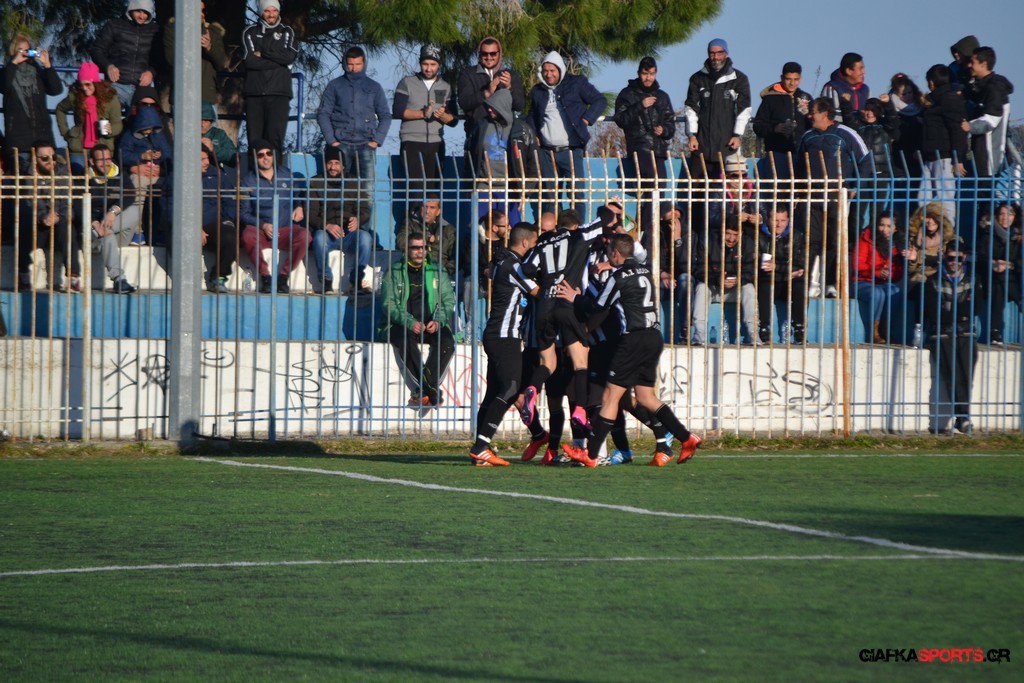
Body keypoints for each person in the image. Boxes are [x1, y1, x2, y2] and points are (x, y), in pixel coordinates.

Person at [561, 234, 702, 468]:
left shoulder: (618, 277)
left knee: (610, 397)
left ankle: (591, 455)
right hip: (654, 337)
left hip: (634, 339)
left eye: (609, 254)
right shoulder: (646, 271)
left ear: (615, 253)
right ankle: (687, 438)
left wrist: (575, 297)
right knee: (646, 397)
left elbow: (598, 307)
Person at [468, 222, 541, 466]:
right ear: (525, 242)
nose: (535, 247)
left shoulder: (503, 261)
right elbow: (538, 292)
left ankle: (481, 449)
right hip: (504, 335)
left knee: (494, 392)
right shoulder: (513, 266)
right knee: (510, 389)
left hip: (497, 334)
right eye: (534, 243)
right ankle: (481, 446)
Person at [796, 97, 871, 298]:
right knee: (811, 240)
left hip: (837, 196)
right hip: (812, 196)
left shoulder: (846, 133)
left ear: (825, 114)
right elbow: (798, 166)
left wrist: (856, 186)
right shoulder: (807, 136)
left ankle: (830, 283)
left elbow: (865, 160)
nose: (810, 116)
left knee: (834, 240)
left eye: (814, 112)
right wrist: (799, 192)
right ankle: (810, 283)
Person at [380, 232, 456, 409]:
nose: (420, 252)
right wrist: (409, 322)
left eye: (423, 247)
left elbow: (448, 301)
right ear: (406, 249)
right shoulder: (394, 271)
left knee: (447, 342)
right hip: (401, 324)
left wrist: (438, 321)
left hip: (431, 324)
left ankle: (424, 390)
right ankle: (432, 391)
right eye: (415, 248)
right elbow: (388, 304)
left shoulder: (437, 270)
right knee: (404, 340)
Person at [529, 51, 607, 219]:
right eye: (545, 71)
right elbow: (532, 115)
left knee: (576, 193)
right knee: (550, 195)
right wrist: (534, 133)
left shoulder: (576, 83)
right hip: (547, 151)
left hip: (571, 150)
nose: (549, 74)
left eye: (552, 70)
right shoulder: (538, 91)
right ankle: (554, 229)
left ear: (560, 69)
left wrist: (587, 118)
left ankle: (578, 229)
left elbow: (600, 100)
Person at [239, 140, 310, 293]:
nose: (266, 157)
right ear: (254, 158)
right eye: (260, 155)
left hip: (285, 228)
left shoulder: (286, 174)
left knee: (304, 236)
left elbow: (298, 194)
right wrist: (263, 225)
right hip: (261, 229)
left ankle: (283, 277)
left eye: (269, 153)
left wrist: (299, 206)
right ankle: (265, 277)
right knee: (247, 236)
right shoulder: (247, 181)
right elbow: (243, 213)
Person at [164, 146, 238, 293]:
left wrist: (227, 221)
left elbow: (230, 203)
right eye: (202, 159)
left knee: (230, 236)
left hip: (213, 225)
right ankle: (186, 279)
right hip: (185, 226)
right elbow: (170, 209)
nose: (206, 162)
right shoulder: (176, 178)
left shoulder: (218, 176)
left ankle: (219, 276)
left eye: (207, 158)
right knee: (175, 238)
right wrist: (194, 228)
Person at [923, 240, 979, 435]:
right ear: (944, 257)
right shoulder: (933, 280)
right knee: (953, 375)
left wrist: (950, 310)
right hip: (942, 334)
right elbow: (934, 312)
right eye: (950, 258)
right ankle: (963, 418)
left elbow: (976, 308)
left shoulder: (973, 279)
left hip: (966, 333)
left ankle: (962, 418)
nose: (954, 262)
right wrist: (960, 311)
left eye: (958, 258)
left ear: (964, 258)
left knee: (966, 376)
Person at [318, 46, 391, 192]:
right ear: (345, 63)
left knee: (367, 189)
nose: (354, 68)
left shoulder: (374, 87)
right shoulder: (334, 85)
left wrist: (376, 141)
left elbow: (385, 116)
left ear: (364, 63)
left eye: (358, 64)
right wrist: (332, 140)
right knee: (336, 188)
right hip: (340, 144)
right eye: (350, 64)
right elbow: (323, 114)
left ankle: (365, 209)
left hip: (367, 144)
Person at [307, 146, 374, 294]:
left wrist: (358, 219)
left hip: (349, 233)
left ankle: (356, 280)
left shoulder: (354, 182)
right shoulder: (316, 182)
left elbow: (365, 209)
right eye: (330, 163)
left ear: (343, 166)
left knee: (366, 238)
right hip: (327, 233)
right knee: (319, 237)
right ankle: (326, 280)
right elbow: (310, 214)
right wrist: (326, 225)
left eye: (337, 163)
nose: (333, 167)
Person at [17, 143, 82, 292]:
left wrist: (58, 216)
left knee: (67, 227)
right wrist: (43, 217)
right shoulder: (27, 176)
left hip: (59, 222)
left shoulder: (63, 173)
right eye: (45, 158)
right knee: (24, 225)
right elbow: (29, 203)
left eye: (53, 157)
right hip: (39, 224)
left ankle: (73, 277)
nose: (50, 161)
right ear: (35, 159)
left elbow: (68, 202)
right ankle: (24, 275)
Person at [392, 44, 458, 191]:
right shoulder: (407, 82)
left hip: (436, 143)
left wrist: (443, 116)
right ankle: (414, 206)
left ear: (439, 65)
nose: (428, 69)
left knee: (433, 189)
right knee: (415, 188)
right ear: (420, 63)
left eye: (433, 64)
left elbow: (454, 121)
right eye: (425, 64)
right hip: (411, 141)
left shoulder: (446, 87)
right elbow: (397, 111)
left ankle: (432, 206)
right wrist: (422, 113)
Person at [684, 39, 751, 178]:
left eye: (719, 53)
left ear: (726, 54)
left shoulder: (739, 79)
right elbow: (691, 108)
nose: (715, 57)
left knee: (728, 188)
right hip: (701, 146)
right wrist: (692, 135)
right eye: (712, 53)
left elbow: (744, 110)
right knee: (696, 188)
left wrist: (737, 135)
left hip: (728, 146)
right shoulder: (697, 78)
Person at [241, 0, 298, 156]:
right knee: (255, 141)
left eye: (274, 10)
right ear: (261, 12)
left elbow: (289, 57)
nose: (271, 14)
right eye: (267, 11)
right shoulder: (250, 32)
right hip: (254, 94)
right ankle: (254, 172)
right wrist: (278, 62)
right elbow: (249, 61)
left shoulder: (287, 31)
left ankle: (276, 172)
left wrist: (263, 53)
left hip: (279, 93)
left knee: (275, 140)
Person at [692, 217, 760, 345]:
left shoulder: (748, 243)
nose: (731, 239)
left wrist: (738, 280)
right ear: (721, 231)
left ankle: (753, 334)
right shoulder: (708, 241)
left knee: (749, 288)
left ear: (741, 234)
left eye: (736, 235)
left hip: (736, 289)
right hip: (714, 288)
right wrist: (717, 279)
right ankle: (699, 334)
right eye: (728, 233)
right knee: (701, 287)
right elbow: (699, 270)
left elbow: (751, 272)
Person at [1, 34, 63, 172]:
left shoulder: (37, 72)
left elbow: (56, 90)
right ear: (14, 51)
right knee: (22, 176)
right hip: (18, 139)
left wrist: (47, 66)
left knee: (48, 176)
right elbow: (4, 87)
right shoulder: (6, 72)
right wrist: (14, 63)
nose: (26, 54)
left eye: (28, 50)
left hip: (43, 137)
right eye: (21, 50)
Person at [84, 146, 139, 294]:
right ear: (92, 161)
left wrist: (113, 211)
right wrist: (93, 222)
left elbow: (130, 194)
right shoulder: (84, 177)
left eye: (108, 159)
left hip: (112, 227)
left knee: (133, 211)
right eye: (101, 160)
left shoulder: (118, 172)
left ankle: (104, 231)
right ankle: (119, 279)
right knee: (106, 234)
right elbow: (77, 205)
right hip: (93, 233)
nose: (106, 163)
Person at [89, 0, 162, 106]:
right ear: (131, 9)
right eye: (138, 11)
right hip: (115, 85)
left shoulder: (155, 30)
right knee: (105, 112)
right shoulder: (114, 25)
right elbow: (96, 49)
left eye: (146, 13)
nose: (142, 16)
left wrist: (151, 72)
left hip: (141, 88)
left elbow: (160, 58)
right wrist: (108, 66)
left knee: (145, 114)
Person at [920, 64, 968, 225]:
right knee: (923, 198)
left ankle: (947, 235)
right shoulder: (934, 100)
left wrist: (958, 158)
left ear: (931, 82)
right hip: (930, 156)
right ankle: (925, 234)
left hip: (945, 157)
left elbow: (958, 130)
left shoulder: (949, 99)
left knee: (945, 199)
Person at [457, 37, 526, 147]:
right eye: (485, 54)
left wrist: (509, 87)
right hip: (478, 134)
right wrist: (486, 93)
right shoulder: (468, 74)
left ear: (499, 54)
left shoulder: (510, 75)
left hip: (506, 135)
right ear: (479, 54)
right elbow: (464, 103)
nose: (489, 57)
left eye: (493, 54)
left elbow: (519, 105)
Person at [752, 62, 813, 180]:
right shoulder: (770, 99)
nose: (792, 83)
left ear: (800, 79)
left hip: (802, 154)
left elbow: (813, 124)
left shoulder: (806, 98)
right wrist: (775, 128)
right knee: (778, 189)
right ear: (781, 78)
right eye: (788, 79)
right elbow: (758, 126)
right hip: (777, 155)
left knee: (801, 188)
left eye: (796, 79)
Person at [756, 205, 807, 344]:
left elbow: (800, 265)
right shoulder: (758, 236)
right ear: (768, 220)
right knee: (765, 283)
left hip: (787, 282)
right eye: (775, 220)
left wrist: (776, 267)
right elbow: (758, 266)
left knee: (800, 283)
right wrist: (786, 271)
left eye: (783, 220)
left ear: (788, 220)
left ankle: (799, 329)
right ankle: (764, 329)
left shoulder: (797, 236)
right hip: (768, 281)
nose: (779, 224)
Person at [852, 211, 904, 344]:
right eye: (882, 225)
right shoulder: (866, 239)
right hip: (861, 282)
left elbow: (898, 274)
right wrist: (877, 272)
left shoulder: (897, 245)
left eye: (889, 226)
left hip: (883, 283)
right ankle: (873, 332)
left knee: (895, 291)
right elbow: (857, 265)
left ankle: (885, 329)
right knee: (877, 293)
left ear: (895, 228)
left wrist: (889, 274)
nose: (884, 229)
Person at [163, 2, 229, 106]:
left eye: (203, 10)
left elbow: (222, 62)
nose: (201, 14)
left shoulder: (212, 33)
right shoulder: (173, 30)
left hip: (206, 96)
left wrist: (209, 48)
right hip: (182, 95)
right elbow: (171, 58)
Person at [963, 46, 1014, 179]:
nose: (969, 65)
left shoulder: (995, 88)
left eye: (972, 62)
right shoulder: (979, 87)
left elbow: (992, 120)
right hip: (981, 153)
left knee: (988, 189)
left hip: (992, 156)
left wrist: (970, 126)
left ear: (984, 64)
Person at [975, 203, 1022, 345]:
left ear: (1015, 217)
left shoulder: (1018, 236)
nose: (1005, 217)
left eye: (1010, 214)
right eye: (1002, 214)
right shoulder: (988, 233)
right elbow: (982, 256)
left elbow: (1020, 261)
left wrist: (1008, 265)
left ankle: (994, 332)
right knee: (998, 282)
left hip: (1012, 277)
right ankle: (1020, 301)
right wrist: (993, 263)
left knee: (1000, 284)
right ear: (996, 216)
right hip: (989, 275)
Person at [904, 202, 956, 322]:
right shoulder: (914, 238)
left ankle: (937, 326)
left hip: (940, 279)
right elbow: (909, 271)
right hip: (919, 280)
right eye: (928, 217)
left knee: (937, 291)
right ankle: (919, 327)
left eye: (934, 218)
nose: (930, 221)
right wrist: (913, 260)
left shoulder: (948, 240)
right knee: (923, 289)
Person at [395, 195, 457, 279]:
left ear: (438, 211)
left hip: (438, 275)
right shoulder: (410, 223)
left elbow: (456, 258)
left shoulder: (448, 229)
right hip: (413, 272)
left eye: (432, 208)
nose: (427, 211)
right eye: (425, 207)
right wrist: (425, 238)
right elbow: (401, 241)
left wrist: (444, 273)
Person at [820, 52, 869, 122]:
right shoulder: (832, 88)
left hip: (861, 128)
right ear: (849, 71)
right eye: (860, 68)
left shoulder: (865, 89)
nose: (863, 72)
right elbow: (830, 116)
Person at [200, 101, 237, 167]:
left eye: (206, 120)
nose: (202, 124)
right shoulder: (186, 134)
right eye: (199, 120)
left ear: (211, 122)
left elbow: (234, 158)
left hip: (215, 171)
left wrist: (214, 149)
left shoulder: (219, 134)